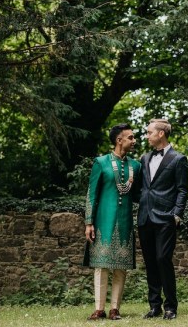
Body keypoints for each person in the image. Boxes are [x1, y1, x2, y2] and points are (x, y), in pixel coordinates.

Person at [83, 123, 141, 321]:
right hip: (103, 221)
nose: (134, 141)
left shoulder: (136, 166)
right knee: (101, 265)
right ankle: (99, 309)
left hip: (125, 221)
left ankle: (115, 309)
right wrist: (89, 222)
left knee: (120, 266)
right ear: (119, 140)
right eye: (131, 137)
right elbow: (92, 194)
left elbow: (139, 194)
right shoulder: (101, 162)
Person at [136, 118, 188, 320]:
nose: (147, 135)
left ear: (161, 134)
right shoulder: (144, 158)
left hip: (166, 218)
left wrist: (177, 214)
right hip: (145, 217)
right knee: (150, 262)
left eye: (149, 132)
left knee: (162, 259)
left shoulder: (178, 159)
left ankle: (171, 307)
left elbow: (182, 190)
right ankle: (154, 306)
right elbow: (143, 187)